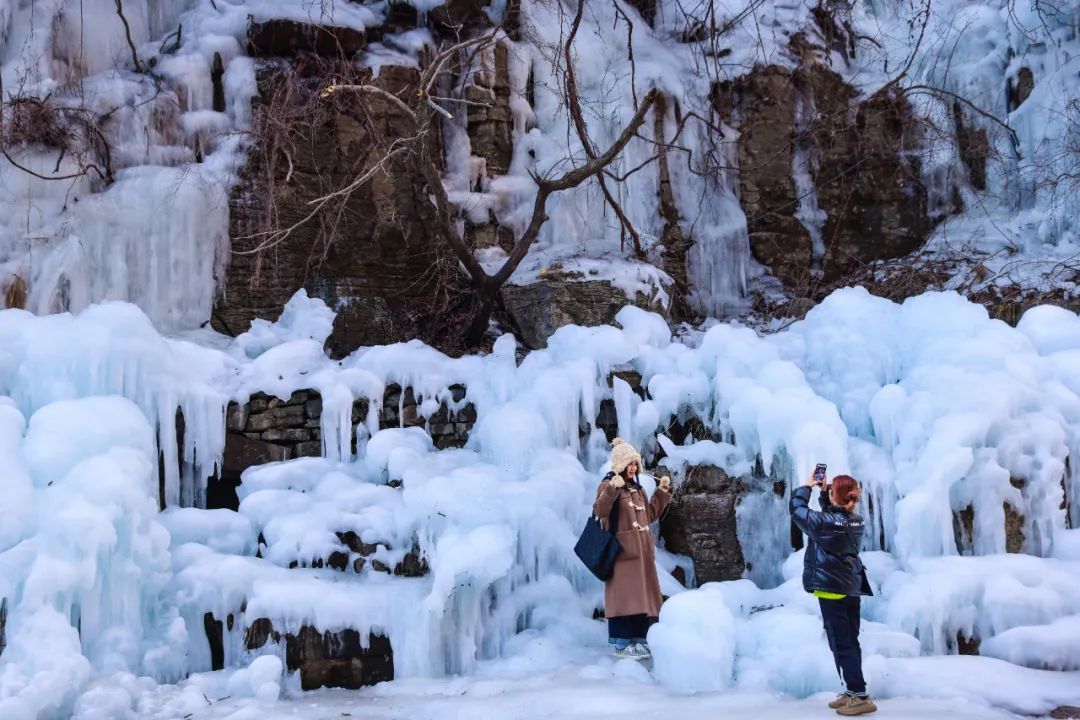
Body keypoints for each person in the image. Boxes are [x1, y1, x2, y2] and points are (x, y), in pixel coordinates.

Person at [790, 471, 877, 716]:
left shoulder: (825, 524)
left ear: (834, 496)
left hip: (832, 592)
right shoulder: (855, 520)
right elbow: (832, 517)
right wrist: (826, 493)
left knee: (841, 643)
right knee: (850, 640)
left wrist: (807, 487)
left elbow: (796, 509)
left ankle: (859, 696)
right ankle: (853, 691)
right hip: (851, 587)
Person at [592, 438, 672, 659]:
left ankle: (639, 639)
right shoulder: (609, 485)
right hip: (621, 555)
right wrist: (611, 489)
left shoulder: (638, 489)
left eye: (635, 463)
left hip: (643, 556)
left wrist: (662, 493)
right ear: (620, 465)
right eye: (629, 464)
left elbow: (649, 515)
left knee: (641, 599)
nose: (633, 468)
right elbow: (600, 510)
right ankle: (620, 643)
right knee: (624, 599)